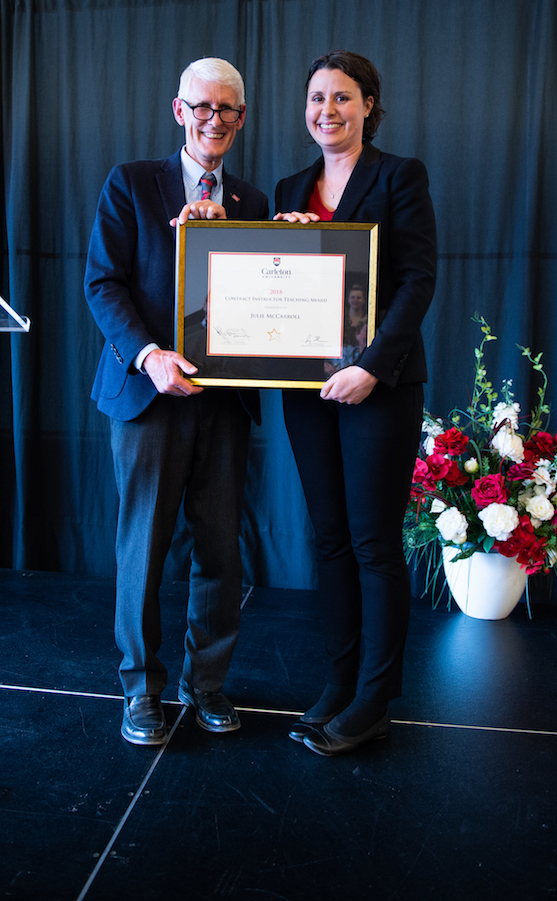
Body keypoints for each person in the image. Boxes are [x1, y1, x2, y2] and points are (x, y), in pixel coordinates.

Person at [84, 58, 268, 746]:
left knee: (220, 547)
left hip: (223, 402)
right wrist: (150, 355)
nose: (213, 120)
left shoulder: (253, 201)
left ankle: (206, 683)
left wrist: (297, 242)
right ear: (178, 111)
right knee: (145, 546)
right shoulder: (132, 183)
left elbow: (265, 299)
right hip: (148, 397)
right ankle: (140, 687)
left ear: (242, 118)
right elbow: (103, 284)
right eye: (201, 107)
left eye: (226, 110)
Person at [274, 51, 436, 756]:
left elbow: (417, 280)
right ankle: (340, 683)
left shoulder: (399, 175)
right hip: (307, 388)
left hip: (379, 387)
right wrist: (281, 245)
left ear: (369, 104)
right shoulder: (290, 186)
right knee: (330, 539)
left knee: (373, 542)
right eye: (317, 98)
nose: (327, 110)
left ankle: (374, 699)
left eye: (342, 97)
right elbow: (283, 283)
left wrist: (371, 367)